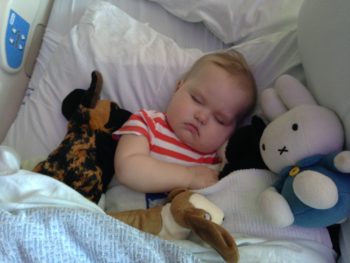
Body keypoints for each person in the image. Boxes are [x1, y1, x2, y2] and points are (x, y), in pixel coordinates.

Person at [113, 50, 256, 194]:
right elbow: (127, 169)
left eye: (220, 119)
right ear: (178, 88)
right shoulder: (147, 123)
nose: (202, 117)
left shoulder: (215, 162)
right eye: (197, 99)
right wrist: (189, 176)